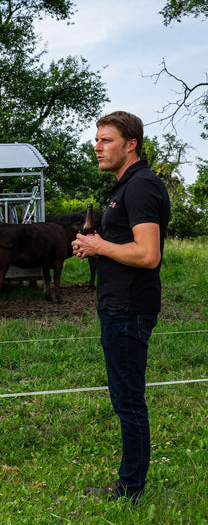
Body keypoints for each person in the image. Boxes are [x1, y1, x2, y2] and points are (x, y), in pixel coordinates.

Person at [73, 111, 170, 502]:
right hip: (118, 306)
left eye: (106, 140)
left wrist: (99, 246)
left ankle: (131, 490)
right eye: (96, 140)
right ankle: (131, 484)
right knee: (125, 398)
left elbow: (148, 254)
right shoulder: (124, 187)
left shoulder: (142, 185)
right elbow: (123, 246)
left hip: (129, 308)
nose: (97, 147)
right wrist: (93, 244)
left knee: (129, 401)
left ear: (131, 144)